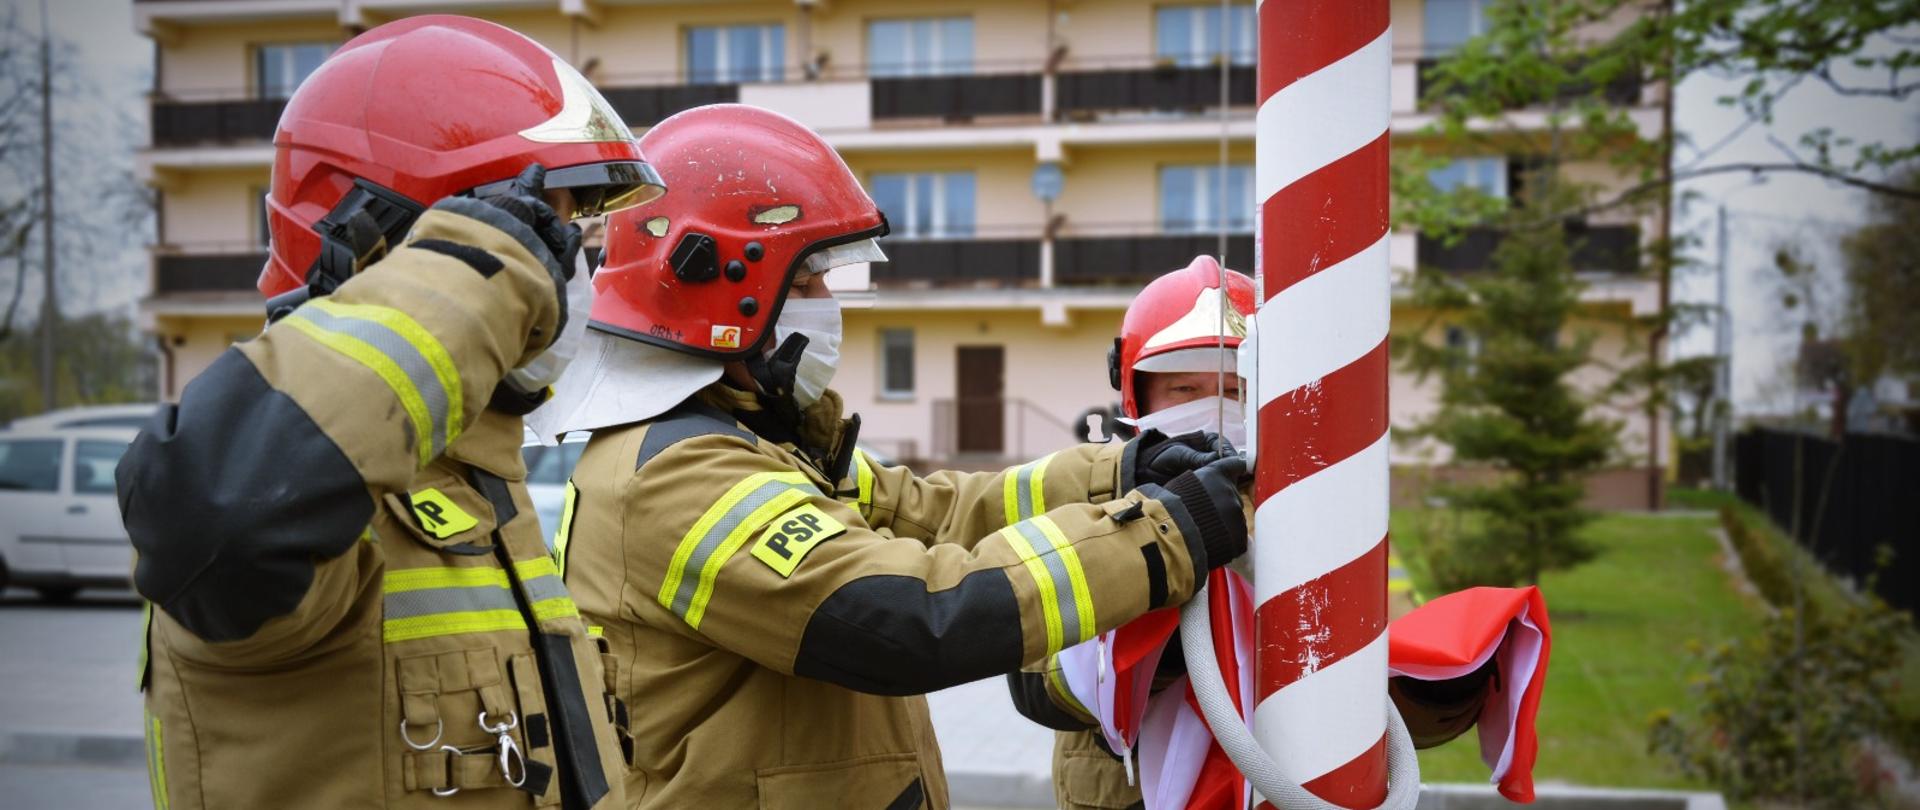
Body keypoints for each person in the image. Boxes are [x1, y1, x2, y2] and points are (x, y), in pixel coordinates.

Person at [529, 104, 1254, 810]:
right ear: (727, 288)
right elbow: (909, 616)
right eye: (808, 281)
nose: (825, 304)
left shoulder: (764, 442)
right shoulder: (677, 475)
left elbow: (937, 512)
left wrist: (1124, 471)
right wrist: (1165, 535)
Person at [116, 16, 664, 809]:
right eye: (543, 228)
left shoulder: (479, 487)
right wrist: (487, 270)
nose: (566, 271)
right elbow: (217, 517)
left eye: (571, 234)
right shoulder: (316, 498)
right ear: (396, 237)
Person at [1009, 257, 1481, 810]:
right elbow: (1036, 684)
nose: (1210, 411)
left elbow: (1397, 709)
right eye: (1184, 389)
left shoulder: (1326, 510)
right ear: (1136, 394)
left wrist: (1443, 687)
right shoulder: (1092, 497)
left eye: (1233, 389)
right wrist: (1159, 652)